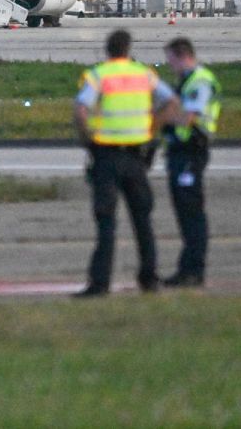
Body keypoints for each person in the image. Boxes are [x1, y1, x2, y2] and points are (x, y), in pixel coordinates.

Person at [73, 29, 178, 298]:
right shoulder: (144, 74)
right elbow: (171, 102)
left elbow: (81, 109)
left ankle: (100, 284)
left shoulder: (98, 75)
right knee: (142, 220)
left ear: (107, 50)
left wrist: (88, 139)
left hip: (106, 155)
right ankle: (149, 278)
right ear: (128, 49)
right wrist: (151, 129)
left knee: (106, 222)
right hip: (135, 156)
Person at [161, 37, 220, 288]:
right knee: (184, 212)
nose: (170, 65)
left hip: (191, 153)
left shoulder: (200, 81)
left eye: (171, 59)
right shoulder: (186, 81)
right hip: (180, 153)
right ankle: (188, 268)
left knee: (191, 211)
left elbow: (188, 117)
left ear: (181, 55)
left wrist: (163, 116)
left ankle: (194, 270)